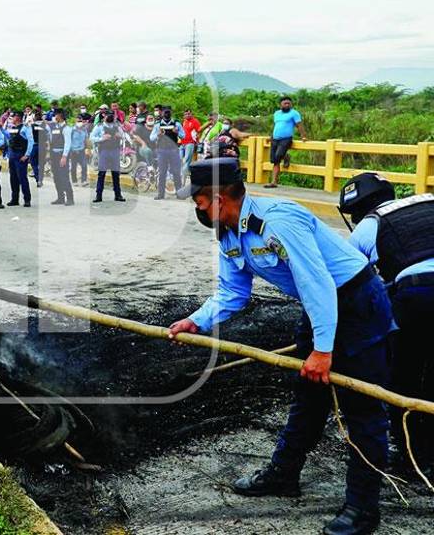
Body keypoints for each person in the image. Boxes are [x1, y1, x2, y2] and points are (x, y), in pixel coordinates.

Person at [171, 158, 392, 535]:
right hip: (320, 306)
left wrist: (323, 350)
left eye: (200, 201)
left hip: (357, 303)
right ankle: (284, 474)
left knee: (362, 408)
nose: (197, 208)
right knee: (308, 396)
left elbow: (316, 281)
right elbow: (232, 291)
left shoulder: (279, 220)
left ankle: (363, 508)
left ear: (219, 197)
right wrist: (198, 320)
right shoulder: (228, 232)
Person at [339, 173, 434, 475]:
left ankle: (413, 456)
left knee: (404, 374)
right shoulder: (429, 201)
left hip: (419, 294)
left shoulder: (370, 224)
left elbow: (348, 282)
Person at [265, 96, 307, 188]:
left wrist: (303, 136)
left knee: (278, 155)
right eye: (285, 103)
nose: (287, 105)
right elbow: (276, 126)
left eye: (289, 103)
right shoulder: (276, 114)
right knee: (275, 161)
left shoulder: (294, 113)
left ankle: (285, 156)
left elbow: (299, 125)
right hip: (275, 139)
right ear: (281, 105)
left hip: (286, 138)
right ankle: (274, 182)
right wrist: (271, 137)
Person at [90, 110, 126, 203]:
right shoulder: (99, 126)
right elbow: (91, 137)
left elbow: (123, 135)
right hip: (104, 151)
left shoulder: (117, 126)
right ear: (104, 116)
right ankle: (98, 195)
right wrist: (102, 138)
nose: (110, 117)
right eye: (108, 115)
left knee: (116, 174)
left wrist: (120, 135)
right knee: (101, 174)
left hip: (115, 150)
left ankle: (118, 195)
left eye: (111, 115)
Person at [150, 106, 184, 199]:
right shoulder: (158, 125)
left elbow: (183, 136)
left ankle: (179, 193)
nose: (167, 114)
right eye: (165, 112)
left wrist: (177, 132)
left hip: (174, 151)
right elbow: (151, 138)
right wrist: (158, 134)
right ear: (162, 113)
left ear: (171, 112)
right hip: (162, 151)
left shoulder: (176, 124)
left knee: (176, 172)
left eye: (168, 112)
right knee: (162, 173)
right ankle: (160, 194)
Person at [2, 111, 34, 207]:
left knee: (22, 178)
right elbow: (9, 137)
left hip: (20, 155)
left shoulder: (25, 128)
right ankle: (14, 199)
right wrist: (1, 129)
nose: (12, 118)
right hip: (12, 154)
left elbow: (30, 141)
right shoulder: (13, 128)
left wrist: (27, 155)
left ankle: (27, 199)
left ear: (18, 117)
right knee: (13, 178)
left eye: (14, 116)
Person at [48, 109, 74, 206]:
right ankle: (60, 197)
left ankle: (70, 198)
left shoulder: (66, 128)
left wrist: (64, 156)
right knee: (56, 177)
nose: (55, 117)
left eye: (56, 115)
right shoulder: (55, 127)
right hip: (53, 155)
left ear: (61, 116)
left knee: (64, 177)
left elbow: (68, 143)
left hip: (61, 155)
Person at [70, 112, 90, 186]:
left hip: (82, 150)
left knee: (84, 166)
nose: (79, 123)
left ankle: (83, 180)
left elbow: (86, 140)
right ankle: (74, 181)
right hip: (73, 151)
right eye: (78, 121)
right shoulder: (72, 130)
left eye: (81, 121)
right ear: (75, 121)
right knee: (73, 167)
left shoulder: (84, 130)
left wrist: (88, 149)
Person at [181, 109, 201, 181]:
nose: (187, 115)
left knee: (186, 160)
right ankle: (187, 173)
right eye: (186, 114)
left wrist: (197, 142)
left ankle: (183, 179)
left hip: (191, 143)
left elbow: (199, 131)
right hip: (183, 143)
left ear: (191, 114)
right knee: (180, 159)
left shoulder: (195, 121)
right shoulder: (184, 121)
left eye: (189, 114)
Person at [29, 110, 49, 188]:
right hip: (43, 146)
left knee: (33, 162)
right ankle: (40, 179)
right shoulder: (45, 125)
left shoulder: (32, 126)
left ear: (34, 117)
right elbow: (49, 135)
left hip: (35, 146)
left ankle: (38, 178)